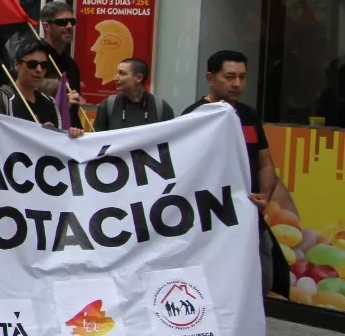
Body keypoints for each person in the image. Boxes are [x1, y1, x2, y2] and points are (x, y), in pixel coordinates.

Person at [187, 50, 288, 295]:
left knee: (263, 280)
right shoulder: (194, 116)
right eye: (230, 76)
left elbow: (265, 162)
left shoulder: (249, 115)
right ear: (210, 78)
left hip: (250, 215)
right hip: (212, 219)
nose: (237, 84)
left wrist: (264, 196)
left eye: (242, 77)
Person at [0, 35, 84, 136]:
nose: (39, 70)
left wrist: (71, 135)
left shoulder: (49, 103)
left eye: (44, 65)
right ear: (17, 65)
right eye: (32, 64)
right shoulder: (2, 97)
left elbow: (57, 141)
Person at [94, 58, 175, 130]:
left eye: (122, 73)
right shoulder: (109, 105)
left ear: (139, 78)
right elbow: (96, 138)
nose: (115, 78)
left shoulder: (160, 107)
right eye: (116, 73)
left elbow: (172, 139)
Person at [39, 0, 83, 99]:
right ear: (46, 26)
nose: (69, 26)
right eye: (62, 22)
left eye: (72, 22)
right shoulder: (34, 56)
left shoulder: (71, 64)